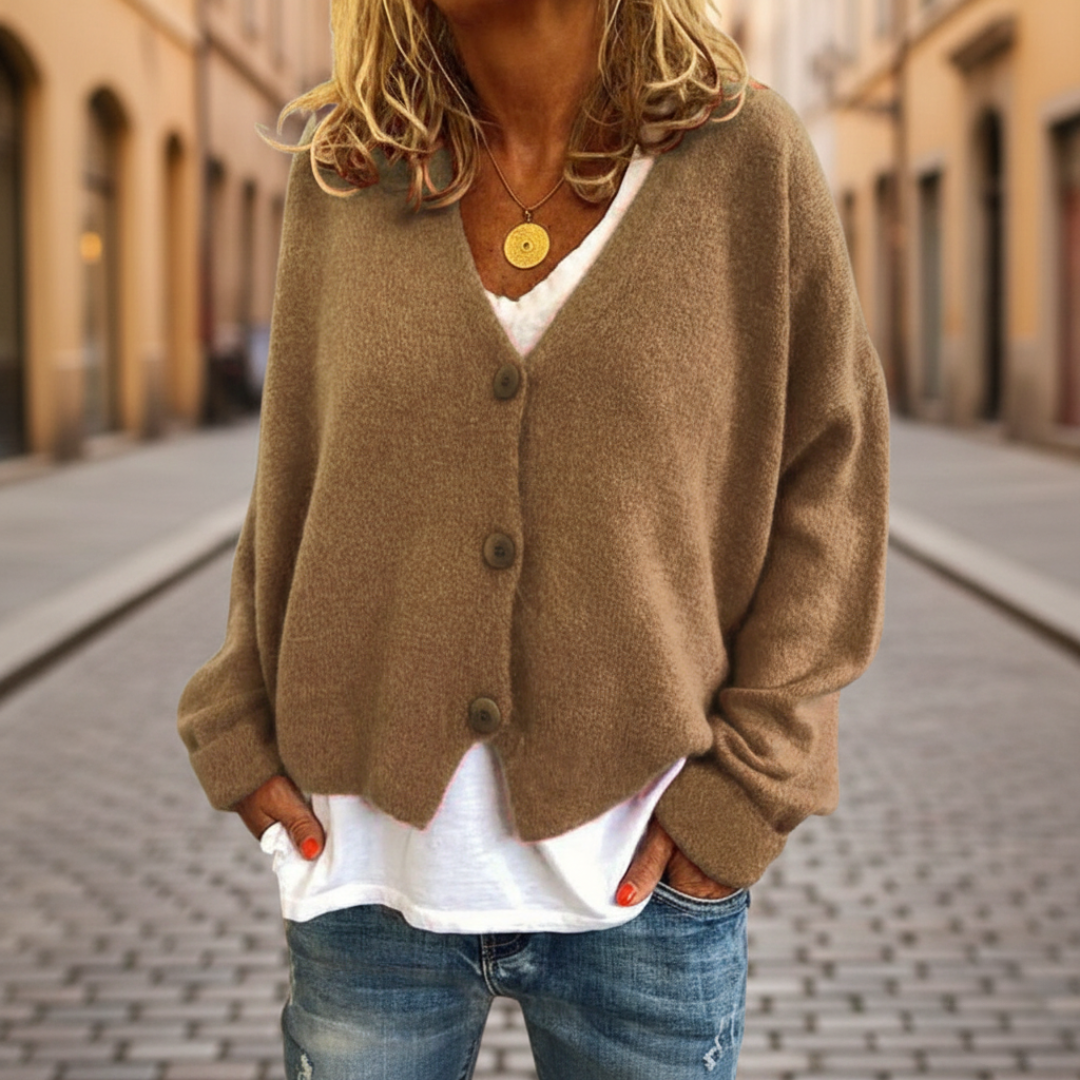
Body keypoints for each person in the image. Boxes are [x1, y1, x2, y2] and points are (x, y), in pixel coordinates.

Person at [177, 0, 890, 1077]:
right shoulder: (350, 173)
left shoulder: (746, 160)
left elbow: (832, 476)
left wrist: (750, 786)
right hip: (369, 889)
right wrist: (236, 719)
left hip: (644, 896)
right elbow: (295, 472)